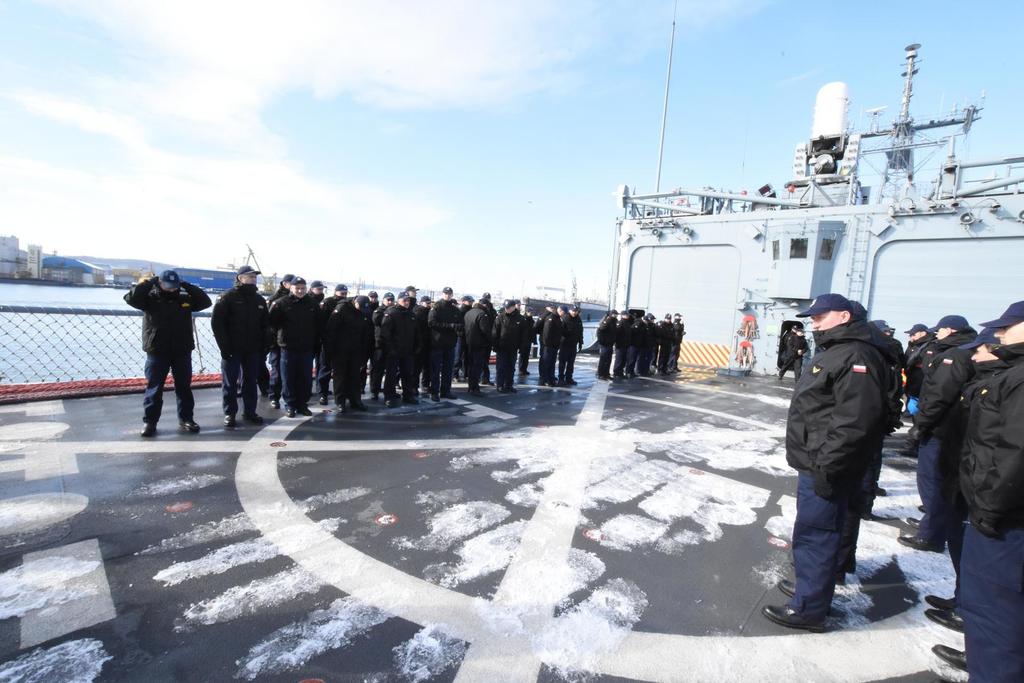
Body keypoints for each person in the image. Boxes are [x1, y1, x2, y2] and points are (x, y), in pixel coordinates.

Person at [762, 293, 887, 632]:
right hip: (820, 460)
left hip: (827, 464)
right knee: (819, 532)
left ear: (843, 316)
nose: (813, 322)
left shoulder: (856, 355)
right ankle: (813, 592)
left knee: (817, 534)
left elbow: (853, 422)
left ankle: (808, 609)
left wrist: (828, 468)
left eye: (820, 316)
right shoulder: (839, 351)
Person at [954, 301, 1024, 683]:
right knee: (995, 615)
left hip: (1005, 518)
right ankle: (982, 660)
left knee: (997, 613)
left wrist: (989, 506)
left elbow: (1016, 451)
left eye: (1008, 326)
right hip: (999, 510)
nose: (998, 335)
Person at [920, 329, 1006, 641]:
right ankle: (963, 603)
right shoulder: (982, 383)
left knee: (989, 575)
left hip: (982, 490)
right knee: (964, 553)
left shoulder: (1004, 386)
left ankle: (971, 619)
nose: (973, 357)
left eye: (980, 351)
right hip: (963, 476)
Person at [900, 315, 977, 553]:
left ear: (951, 330)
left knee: (933, 481)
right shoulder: (966, 350)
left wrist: (920, 425)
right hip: (953, 428)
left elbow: (939, 395)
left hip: (941, 428)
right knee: (940, 482)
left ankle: (931, 534)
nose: (937, 334)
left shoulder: (953, 356)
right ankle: (934, 522)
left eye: (940, 330)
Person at [125, 270, 212, 437]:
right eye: (167, 286)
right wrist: (149, 282)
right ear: (160, 283)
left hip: (182, 349)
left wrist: (186, 285)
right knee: (154, 388)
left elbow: (205, 301)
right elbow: (131, 298)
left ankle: (186, 418)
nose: (172, 290)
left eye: (175, 286)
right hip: (157, 350)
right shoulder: (149, 298)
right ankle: (150, 422)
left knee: (184, 387)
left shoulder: (185, 298)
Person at [211, 265, 269, 428]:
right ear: (239, 278)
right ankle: (230, 413)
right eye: (249, 276)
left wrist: (264, 346)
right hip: (232, 349)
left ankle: (250, 412)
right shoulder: (228, 297)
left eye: (254, 276)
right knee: (230, 383)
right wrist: (224, 348)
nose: (253, 278)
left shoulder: (259, 300)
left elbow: (265, 325)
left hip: (252, 349)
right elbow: (217, 324)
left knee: (250, 381)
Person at [269, 277, 320, 418]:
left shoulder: (312, 304)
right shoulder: (281, 303)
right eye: (297, 288)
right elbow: (271, 324)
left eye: (303, 288)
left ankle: (302, 404)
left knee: (305, 378)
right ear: (291, 288)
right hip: (288, 348)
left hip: (306, 348)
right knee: (288, 378)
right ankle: (290, 405)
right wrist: (279, 339)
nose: (300, 290)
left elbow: (318, 325)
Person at [324, 293, 373, 412]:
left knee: (355, 377)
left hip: (356, 350)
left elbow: (367, 333)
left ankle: (355, 401)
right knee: (340, 377)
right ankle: (340, 402)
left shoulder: (364, 312)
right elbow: (331, 330)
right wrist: (330, 351)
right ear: (355, 303)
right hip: (340, 349)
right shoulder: (342, 309)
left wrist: (365, 353)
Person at [900, 323, 933, 455]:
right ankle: (914, 444)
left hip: (921, 389)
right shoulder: (913, 347)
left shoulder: (929, 347)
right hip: (912, 388)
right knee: (915, 416)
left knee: (920, 419)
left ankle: (914, 445)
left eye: (913, 334)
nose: (911, 337)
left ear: (922, 333)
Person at [380, 293, 418, 408]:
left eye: (408, 300)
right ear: (399, 300)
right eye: (404, 300)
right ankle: (389, 396)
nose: (407, 302)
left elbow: (416, 333)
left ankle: (408, 395)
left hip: (407, 350)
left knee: (407, 374)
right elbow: (385, 333)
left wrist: (416, 346)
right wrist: (390, 349)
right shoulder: (391, 313)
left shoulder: (411, 314)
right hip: (394, 350)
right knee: (391, 375)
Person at [316, 284, 348, 404]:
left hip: (341, 342)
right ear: (336, 292)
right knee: (325, 368)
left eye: (345, 293)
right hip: (328, 340)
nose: (344, 295)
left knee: (340, 370)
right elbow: (321, 321)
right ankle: (322, 393)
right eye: (342, 293)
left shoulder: (346, 305)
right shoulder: (328, 302)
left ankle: (340, 394)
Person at [427, 287, 461, 401]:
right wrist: (449, 326)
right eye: (446, 293)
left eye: (450, 294)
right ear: (442, 294)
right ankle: (434, 392)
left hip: (450, 343)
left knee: (448, 370)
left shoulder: (454, 309)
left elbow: (460, 323)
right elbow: (431, 322)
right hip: (437, 343)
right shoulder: (437, 307)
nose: (448, 295)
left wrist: (457, 328)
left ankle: (446, 391)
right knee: (435, 369)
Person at [266, 273, 294, 409]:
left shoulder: (295, 299)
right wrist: (273, 341)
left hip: (290, 342)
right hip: (276, 342)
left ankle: (291, 396)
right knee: (276, 370)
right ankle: (274, 396)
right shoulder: (275, 300)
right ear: (285, 284)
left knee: (290, 371)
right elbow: (270, 323)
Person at [493, 299, 525, 393]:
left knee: (511, 367)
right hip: (502, 347)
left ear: (514, 307)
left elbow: (523, 334)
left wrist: (522, 347)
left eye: (509, 308)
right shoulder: (500, 317)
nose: (507, 309)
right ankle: (500, 385)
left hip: (513, 347)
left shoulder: (520, 319)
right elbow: (495, 333)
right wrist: (495, 345)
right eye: (506, 308)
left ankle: (509, 385)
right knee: (501, 367)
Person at [462, 298, 492, 396]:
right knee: (477, 367)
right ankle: (475, 388)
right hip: (479, 345)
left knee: (471, 367)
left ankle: (471, 387)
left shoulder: (468, 313)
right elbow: (485, 331)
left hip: (469, 343)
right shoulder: (482, 314)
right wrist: (490, 341)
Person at [369, 292, 395, 400]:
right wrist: (387, 313)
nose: (390, 302)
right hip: (379, 344)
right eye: (388, 300)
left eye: (391, 300)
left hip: (391, 345)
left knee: (390, 370)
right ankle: (374, 391)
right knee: (377, 370)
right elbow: (376, 320)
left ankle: (389, 391)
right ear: (383, 300)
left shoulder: (394, 311)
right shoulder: (379, 310)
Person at [558, 305, 583, 386]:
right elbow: (560, 331)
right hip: (565, 344)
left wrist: (580, 342)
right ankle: (561, 378)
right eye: (573, 311)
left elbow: (580, 331)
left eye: (576, 311)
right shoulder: (565, 318)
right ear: (570, 311)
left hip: (573, 344)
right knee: (562, 362)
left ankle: (569, 378)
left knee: (571, 363)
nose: (575, 313)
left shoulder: (578, 319)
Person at [414, 295, 433, 395]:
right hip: (420, 343)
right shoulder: (418, 313)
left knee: (427, 366)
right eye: (427, 303)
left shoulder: (430, 312)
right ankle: (415, 386)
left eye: (429, 303)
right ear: (422, 303)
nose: (429, 304)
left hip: (428, 343)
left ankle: (425, 385)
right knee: (417, 367)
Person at [479, 293, 497, 386]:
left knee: (484, 360)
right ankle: (483, 378)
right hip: (484, 337)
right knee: (482, 360)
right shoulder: (487, 310)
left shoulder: (490, 310)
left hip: (486, 337)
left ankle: (484, 378)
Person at [454, 295, 473, 382]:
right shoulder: (460, 311)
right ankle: (455, 374)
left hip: (469, 337)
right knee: (457, 357)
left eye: (471, 301)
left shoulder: (472, 311)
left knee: (467, 357)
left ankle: (466, 374)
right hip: (460, 337)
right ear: (464, 301)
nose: (471, 303)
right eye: (469, 301)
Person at [596, 310, 618, 380]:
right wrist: (601, 341)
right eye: (614, 314)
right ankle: (600, 374)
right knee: (603, 359)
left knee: (608, 359)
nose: (615, 315)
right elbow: (599, 330)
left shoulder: (614, 321)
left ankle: (606, 373)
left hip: (610, 344)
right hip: (605, 344)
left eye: (616, 314)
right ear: (611, 314)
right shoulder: (607, 321)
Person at [517, 302, 536, 377]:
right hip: (523, 340)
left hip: (529, 340)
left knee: (526, 356)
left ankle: (524, 369)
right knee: (522, 356)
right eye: (529, 312)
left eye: (531, 312)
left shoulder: (532, 321)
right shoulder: (523, 319)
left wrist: (534, 341)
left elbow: (533, 331)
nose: (530, 313)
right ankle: (521, 369)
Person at [612, 311, 633, 379]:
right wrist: (617, 342)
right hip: (620, 344)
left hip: (626, 344)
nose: (628, 316)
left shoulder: (627, 323)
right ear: (622, 315)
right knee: (619, 359)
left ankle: (620, 372)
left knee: (623, 360)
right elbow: (616, 333)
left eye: (628, 315)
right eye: (626, 315)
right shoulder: (620, 323)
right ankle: (616, 373)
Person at [626, 312, 646, 378]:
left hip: (638, 344)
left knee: (634, 359)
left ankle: (631, 372)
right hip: (633, 344)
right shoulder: (637, 324)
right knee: (631, 359)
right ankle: (628, 372)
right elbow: (632, 333)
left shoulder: (643, 325)